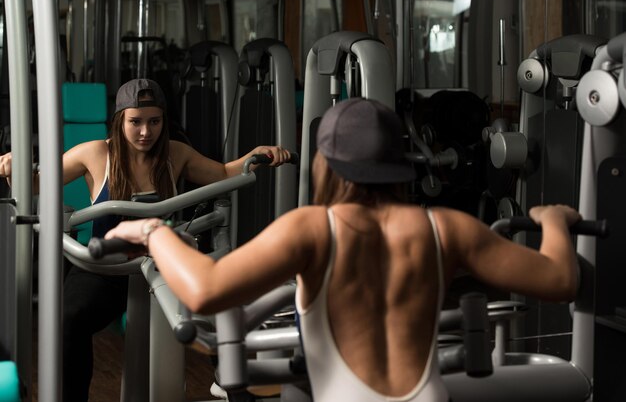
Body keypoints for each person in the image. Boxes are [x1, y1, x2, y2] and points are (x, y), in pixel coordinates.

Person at [105, 97, 581, 402]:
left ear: (325, 164)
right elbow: (561, 281)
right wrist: (555, 222)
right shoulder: (448, 228)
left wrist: (151, 232)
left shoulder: (313, 228)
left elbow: (205, 291)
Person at [0, 78, 292, 402]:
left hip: (160, 266)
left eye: (154, 121)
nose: (145, 132)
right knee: (67, 320)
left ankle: (232, 387)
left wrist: (254, 156)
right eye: (135, 122)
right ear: (120, 120)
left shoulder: (175, 154)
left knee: (214, 305)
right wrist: (14, 169)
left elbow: (223, 174)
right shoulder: (96, 153)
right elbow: (36, 183)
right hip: (106, 270)